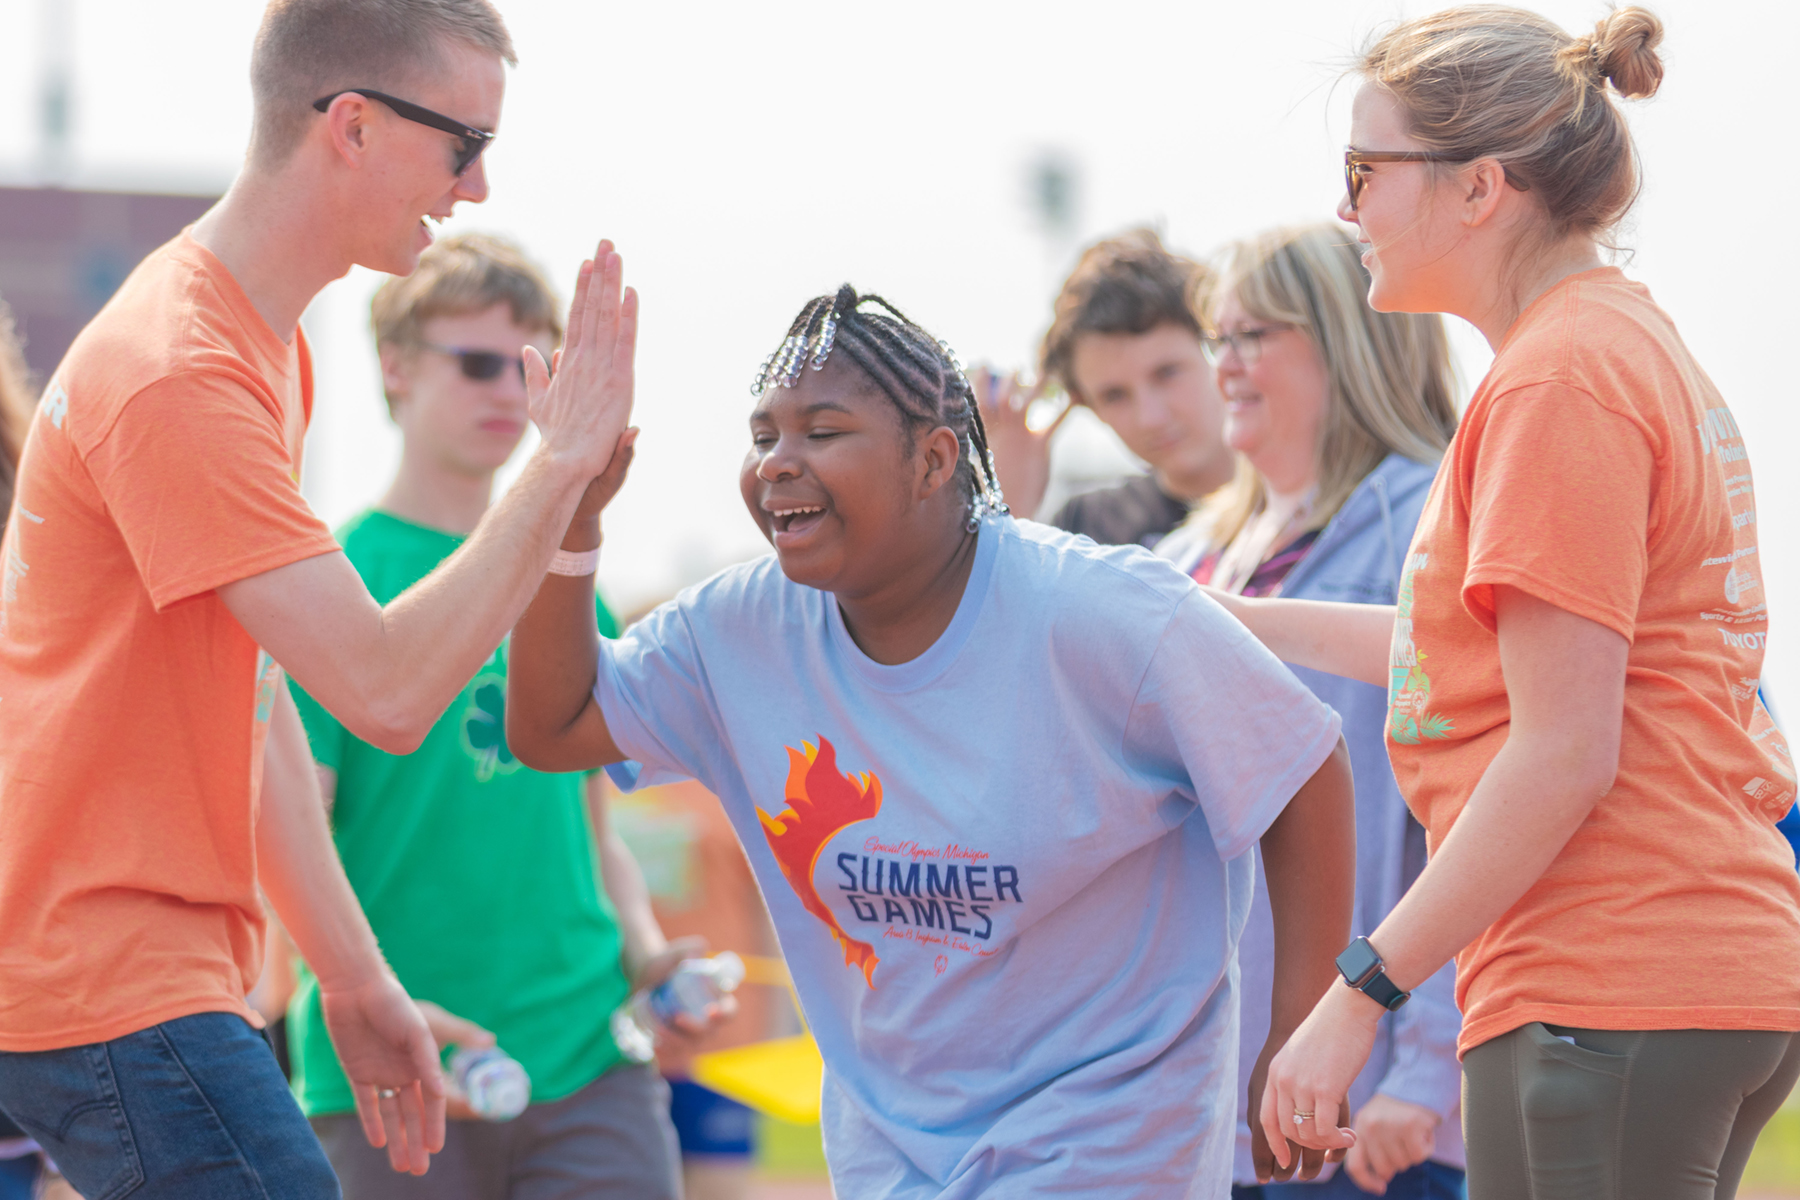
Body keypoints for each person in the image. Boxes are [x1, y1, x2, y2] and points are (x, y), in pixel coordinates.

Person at [505, 283, 1360, 1198]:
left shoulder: (1103, 612)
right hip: (892, 1157)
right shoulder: (739, 631)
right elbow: (553, 727)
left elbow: (1303, 767)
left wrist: (1300, 1031)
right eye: (764, 437)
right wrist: (571, 514)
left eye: (823, 432)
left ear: (933, 458)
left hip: (1106, 1141)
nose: (779, 464)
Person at [0, 0, 641, 1193]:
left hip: (131, 983)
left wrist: (350, 976)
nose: (479, 188)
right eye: (464, 145)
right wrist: (557, 472)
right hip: (106, 986)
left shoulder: (258, 343)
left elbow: (262, 705)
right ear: (351, 125)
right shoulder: (183, 369)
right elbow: (386, 691)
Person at [1229, 10, 1800, 1200]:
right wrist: (1224, 618)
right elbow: (1478, 660)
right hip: (1657, 970)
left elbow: (1561, 750)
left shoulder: (1561, 379)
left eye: (1364, 172)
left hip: (1612, 973)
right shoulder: (1597, 349)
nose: (1350, 211)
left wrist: (1357, 997)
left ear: (1479, 186)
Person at [283, 233, 705, 1199]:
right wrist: (369, 996)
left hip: (591, 1063)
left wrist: (647, 958)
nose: (510, 394)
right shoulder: (332, 585)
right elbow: (286, 843)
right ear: (393, 366)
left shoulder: (572, 591)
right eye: (477, 363)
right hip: (397, 1073)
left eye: (530, 367)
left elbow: (594, 839)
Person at [1160, 225, 1465, 1199]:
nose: (1227, 364)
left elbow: (1478, 818)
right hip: (1206, 1107)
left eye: (1256, 333)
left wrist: (1426, 1072)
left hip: (1366, 1112)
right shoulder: (1194, 556)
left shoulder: (1431, 521)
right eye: (1220, 336)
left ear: (1346, 340)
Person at [978, 228, 1236, 546]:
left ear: (1217, 350)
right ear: (1086, 406)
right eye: (1114, 396)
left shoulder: (1305, 507)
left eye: (1167, 373)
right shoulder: (1085, 533)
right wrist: (1008, 507)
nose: (1150, 417)